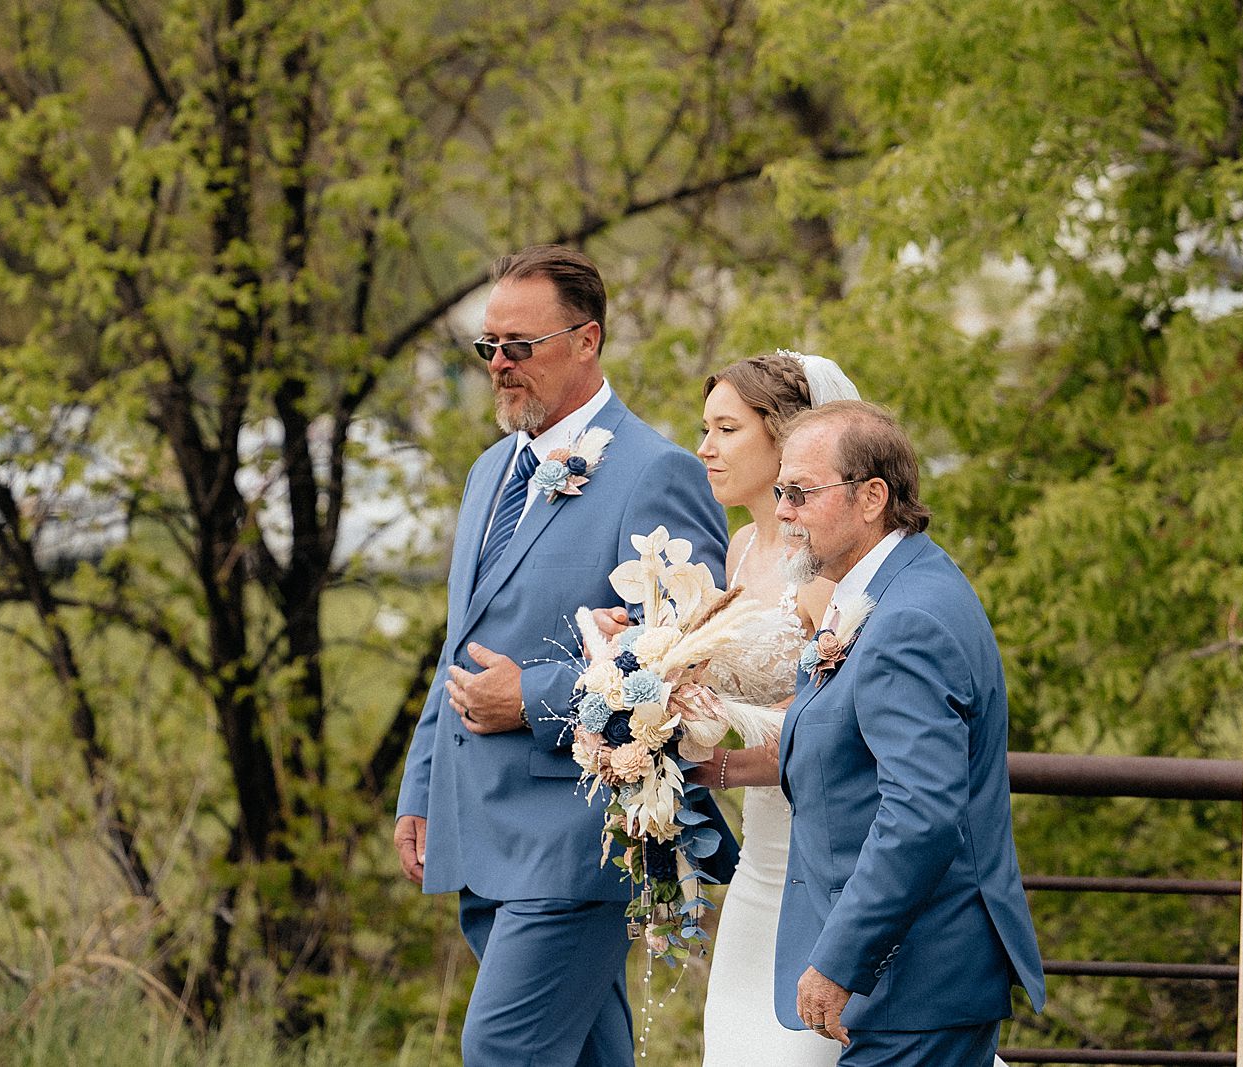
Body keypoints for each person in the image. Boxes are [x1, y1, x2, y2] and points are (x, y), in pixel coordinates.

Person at [392, 245, 731, 1067]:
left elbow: (691, 667)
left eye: (521, 346)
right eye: (489, 348)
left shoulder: (657, 473)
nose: (500, 366)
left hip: (582, 835)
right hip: (481, 823)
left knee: (504, 1047)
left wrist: (534, 696)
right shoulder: (487, 473)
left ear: (587, 341)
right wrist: (422, 783)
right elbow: (460, 642)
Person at [772, 400, 1045, 1066]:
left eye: (801, 492)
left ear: (872, 497)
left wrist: (840, 958)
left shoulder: (908, 617)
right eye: (781, 491)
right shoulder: (894, 587)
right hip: (913, 983)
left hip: (914, 981)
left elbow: (921, 813)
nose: (782, 509)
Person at [687, 352, 850, 1067]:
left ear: (782, 437)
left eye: (726, 428)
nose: (706, 448)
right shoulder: (741, 546)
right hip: (759, 858)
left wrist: (716, 766)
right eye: (705, 428)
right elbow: (733, 692)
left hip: (820, 854)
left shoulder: (818, 563)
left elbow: (829, 721)